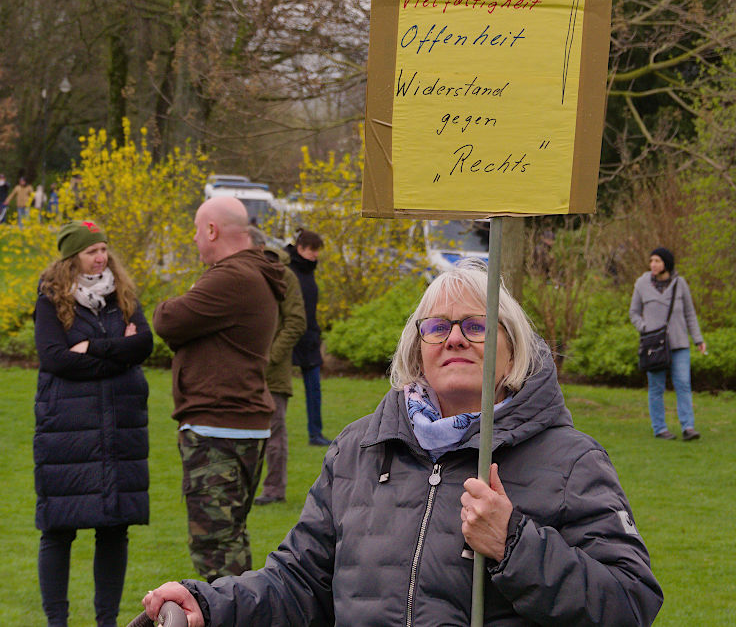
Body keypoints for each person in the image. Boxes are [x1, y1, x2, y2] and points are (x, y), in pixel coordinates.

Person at [142, 260, 663, 627]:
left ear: (513, 347)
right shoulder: (360, 449)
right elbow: (299, 582)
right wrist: (208, 605)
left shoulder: (571, 460)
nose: (454, 338)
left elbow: (630, 602)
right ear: (417, 348)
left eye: (477, 326)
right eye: (436, 327)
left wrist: (515, 544)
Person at [153, 197, 286, 581]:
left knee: (215, 548)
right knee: (229, 540)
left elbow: (168, 319)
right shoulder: (250, 274)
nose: (195, 239)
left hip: (219, 429)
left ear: (212, 230)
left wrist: (190, 293)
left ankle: (231, 615)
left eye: (197, 231)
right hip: (238, 423)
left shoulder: (232, 277)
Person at [33, 220, 152, 627]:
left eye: (104, 249)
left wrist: (94, 348)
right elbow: (55, 358)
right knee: (58, 529)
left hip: (119, 430)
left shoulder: (123, 294)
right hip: (66, 429)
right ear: (72, 258)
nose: (101, 257)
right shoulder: (51, 300)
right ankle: (57, 622)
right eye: (91, 251)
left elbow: (144, 345)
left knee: (114, 526)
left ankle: (107, 621)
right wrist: (118, 356)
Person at [247, 227, 307, 505]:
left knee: (273, 432)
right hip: (240, 370)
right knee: (241, 432)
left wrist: (268, 357)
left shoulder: (284, 275)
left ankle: (274, 490)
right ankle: (242, 487)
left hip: (272, 373)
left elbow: (296, 322)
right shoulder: (240, 273)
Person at [629, 246, 706, 441]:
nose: (653, 265)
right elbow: (634, 313)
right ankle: (660, 429)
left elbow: (690, 314)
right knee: (656, 387)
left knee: (683, 384)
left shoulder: (680, 284)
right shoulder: (642, 283)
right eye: (651, 261)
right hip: (653, 346)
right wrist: (645, 328)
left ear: (667, 264)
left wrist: (698, 339)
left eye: (657, 261)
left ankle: (688, 427)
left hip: (679, 344)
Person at [288, 228, 331, 445]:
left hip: (309, 339)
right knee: (278, 390)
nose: (316, 254)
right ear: (300, 248)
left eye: (317, 250)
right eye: (312, 250)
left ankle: (315, 434)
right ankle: (269, 431)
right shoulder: (288, 271)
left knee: (314, 389)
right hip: (288, 338)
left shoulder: (308, 271)